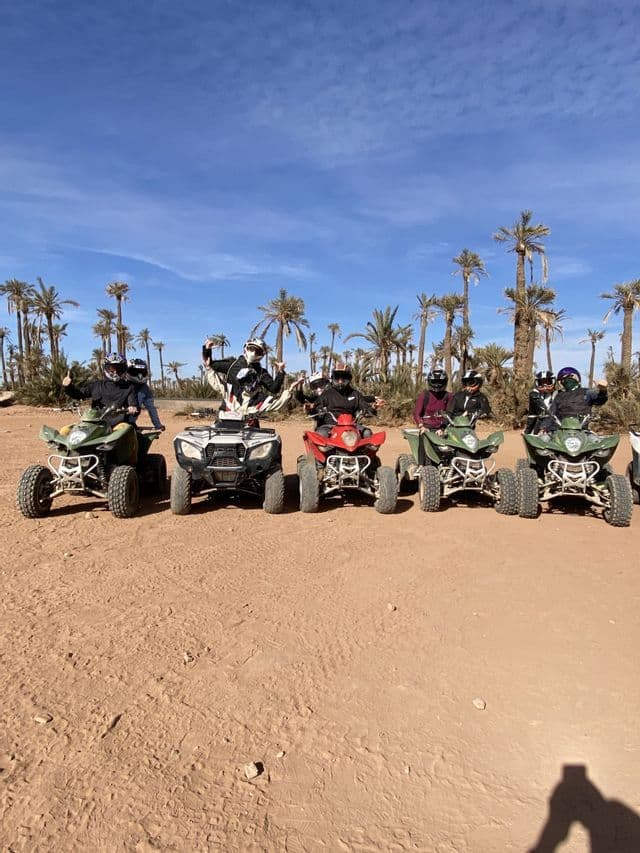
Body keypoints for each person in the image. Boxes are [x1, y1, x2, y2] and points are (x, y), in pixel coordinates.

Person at [62, 354, 139, 462]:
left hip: (115, 426)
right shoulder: (96, 385)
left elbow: (134, 405)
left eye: (119, 368)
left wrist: (132, 408)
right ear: (106, 368)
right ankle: (68, 462)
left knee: (127, 430)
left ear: (124, 369)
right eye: (112, 368)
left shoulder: (128, 388)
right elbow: (79, 394)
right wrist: (68, 387)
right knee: (64, 431)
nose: (115, 372)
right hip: (94, 424)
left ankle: (129, 465)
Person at [308, 363, 384, 436]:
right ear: (333, 378)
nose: (340, 381)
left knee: (367, 433)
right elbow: (316, 407)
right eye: (337, 377)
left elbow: (365, 407)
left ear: (349, 378)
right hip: (330, 426)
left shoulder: (355, 394)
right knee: (321, 435)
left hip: (352, 426)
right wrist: (311, 409)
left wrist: (374, 407)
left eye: (344, 377)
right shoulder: (326, 394)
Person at [202, 337, 285, 402]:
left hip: (249, 411)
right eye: (252, 348)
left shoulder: (261, 372)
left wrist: (280, 372)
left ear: (262, 354)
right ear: (246, 348)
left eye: (257, 351)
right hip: (229, 408)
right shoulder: (232, 364)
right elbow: (210, 363)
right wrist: (207, 349)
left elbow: (274, 389)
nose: (253, 353)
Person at [126, 358, 165, 431]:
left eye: (142, 371)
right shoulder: (125, 386)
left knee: (151, 408)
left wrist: (158, 425)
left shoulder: (145, 388)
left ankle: (157, 425)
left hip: (144, 388)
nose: (140, 375)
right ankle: (130, 424)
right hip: (119, 422)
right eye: (136, 371)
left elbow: (151, 408)